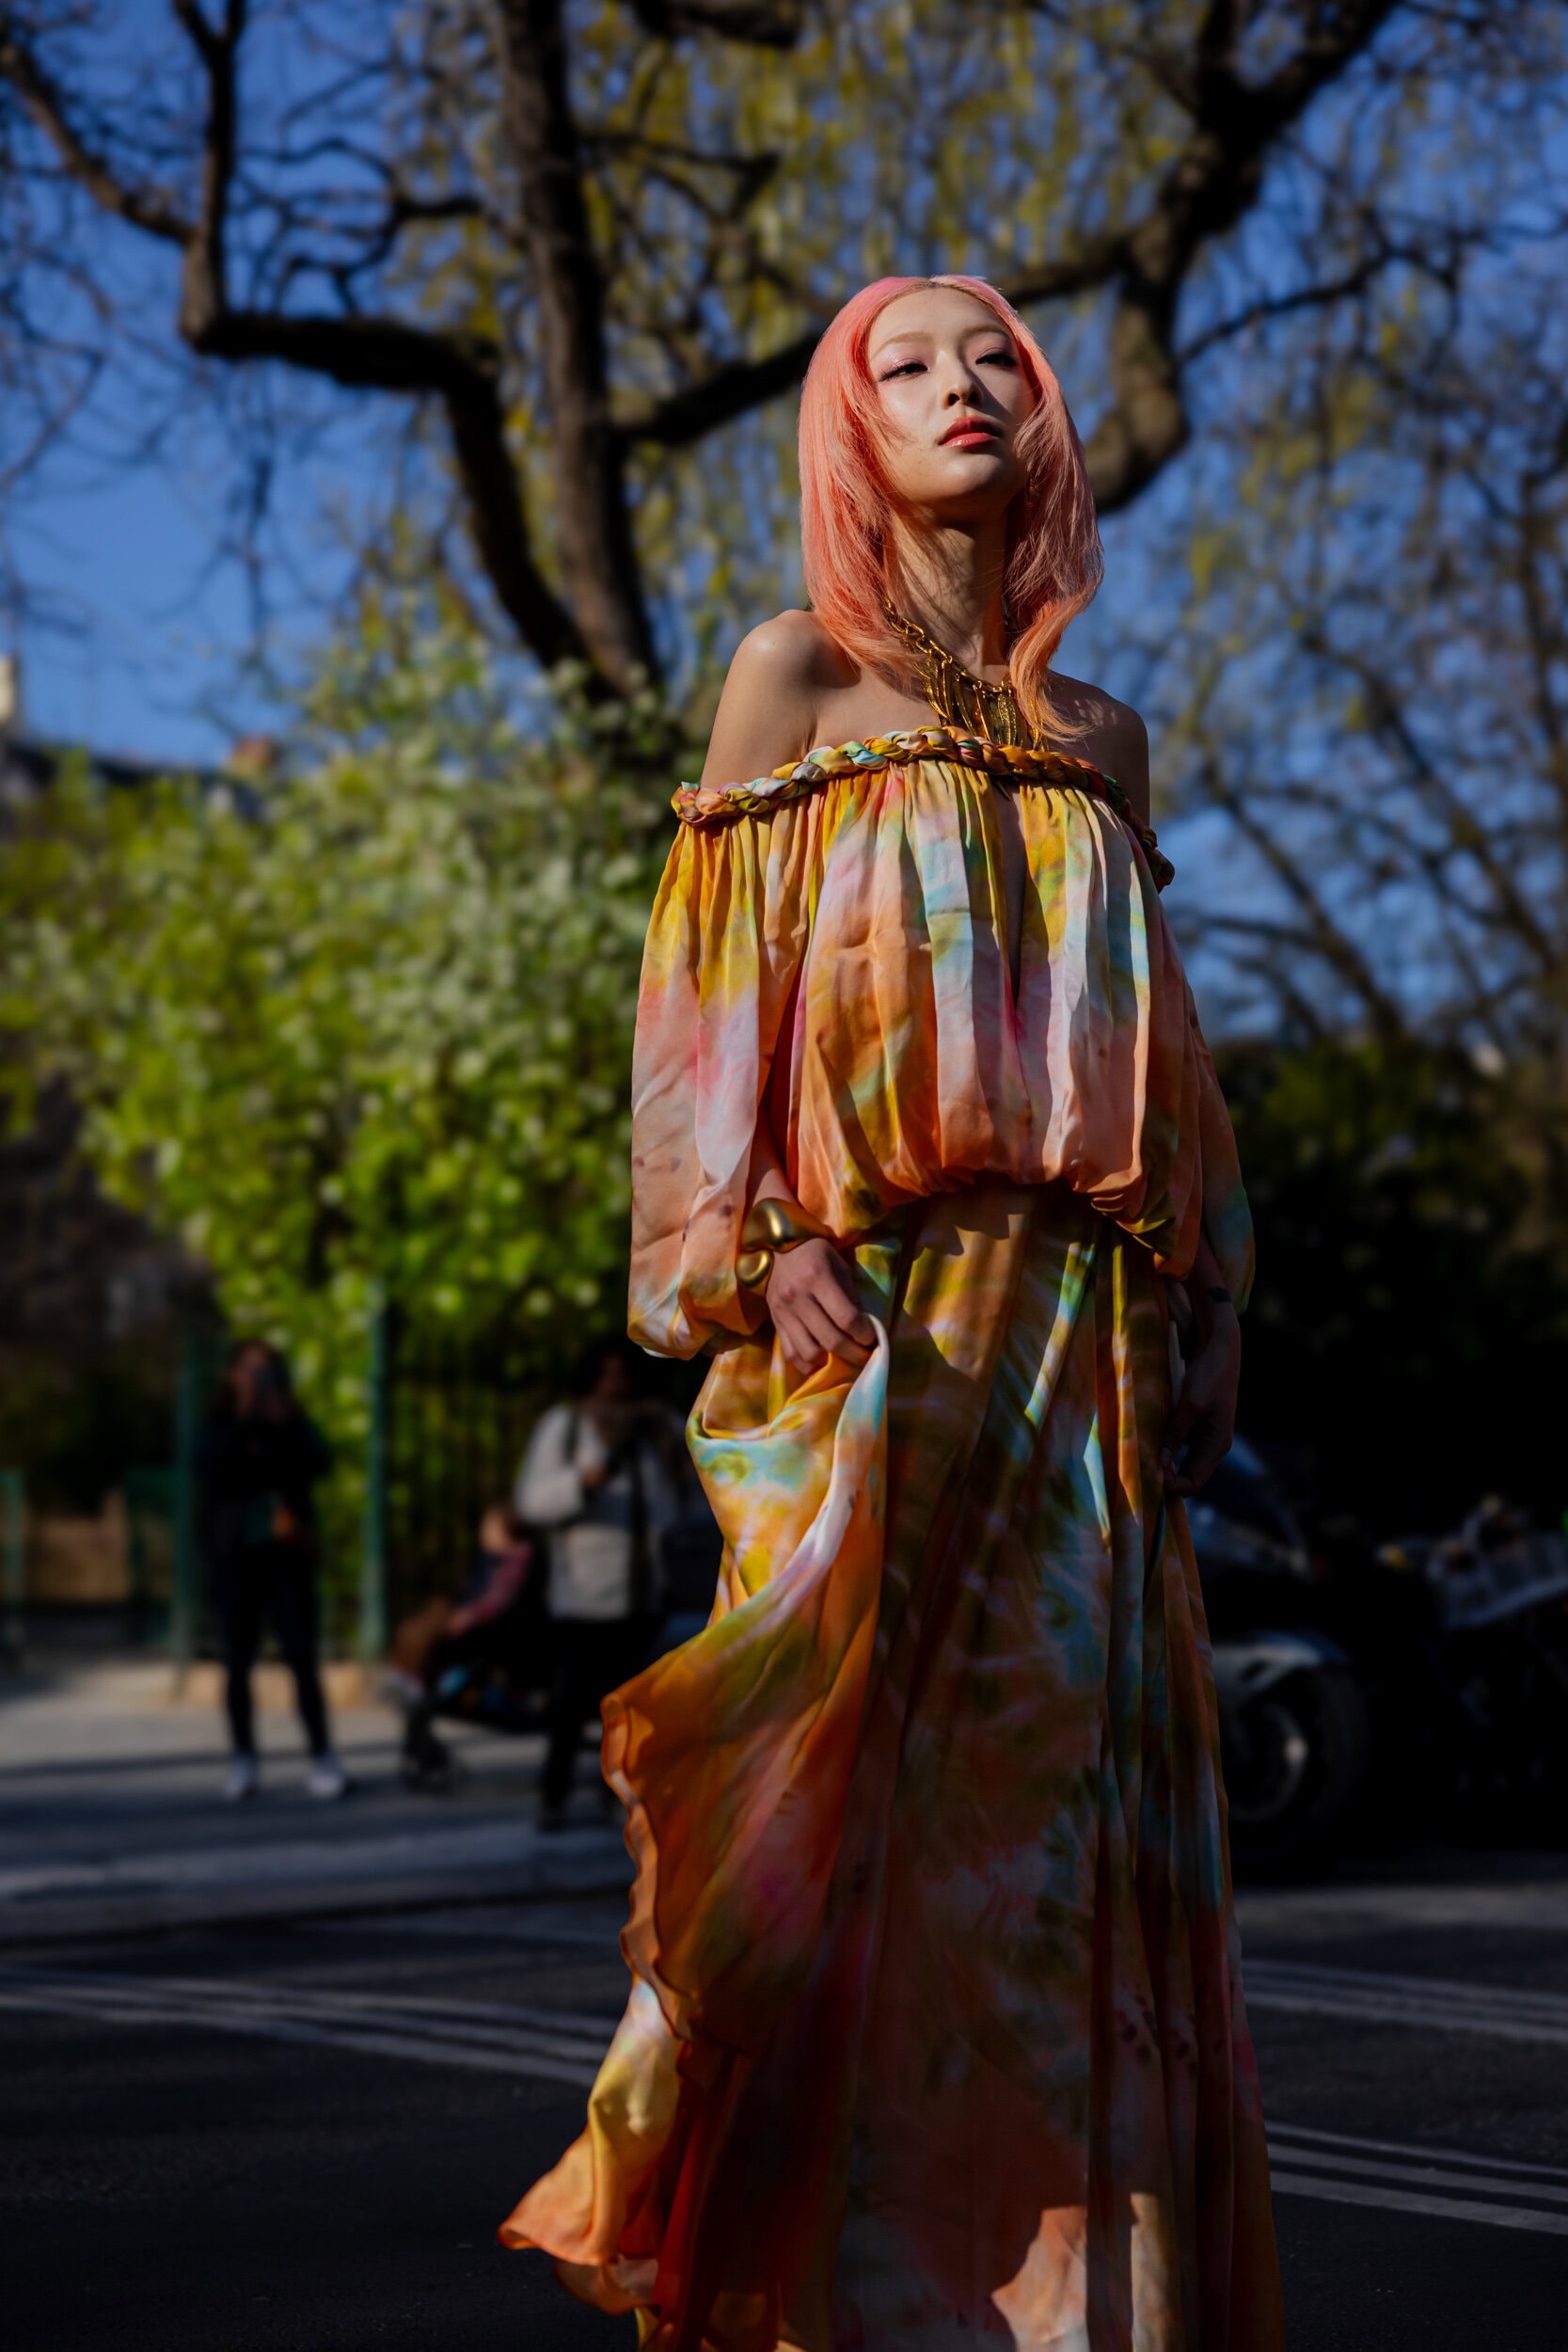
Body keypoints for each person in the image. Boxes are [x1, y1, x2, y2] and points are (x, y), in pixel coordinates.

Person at [500, 278, 1284, 2348]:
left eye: (993, 355)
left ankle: (1072, 2314)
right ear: (847, 429)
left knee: (1059, 1839)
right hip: (873, 1335)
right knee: (835, 1826)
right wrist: (757, 1236)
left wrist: (1206, 1283)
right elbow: (703, 1011)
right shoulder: (793, 678)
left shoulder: (1100, 739)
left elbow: (1164, 1052)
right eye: (905, 363)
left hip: (1083, 1353)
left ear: (1045, 411)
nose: (958, 385)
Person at [514, 1340, 685, 1829]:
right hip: (581, 1594)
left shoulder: (656, 1428)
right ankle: (554, 1797)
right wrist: (581, 1484)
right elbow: (532, 1501)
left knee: (633, 1708)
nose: (616, 1386)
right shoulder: (566, 1427)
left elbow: (688, 1494)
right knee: (570, 1706)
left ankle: (624, 1794)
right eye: (606, 1375)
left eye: (624, 1375)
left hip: (644, 1592)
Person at [198, 1340, 347, 1802]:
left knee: (302, 1657)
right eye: (249, 1369)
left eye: (267, 1371)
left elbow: (320, 1463)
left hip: (286, 1556)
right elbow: (210, 1471)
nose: (258, 1379)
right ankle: (243, 1758)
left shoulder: (291, 1421)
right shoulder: (220, 1422)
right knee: (236, 1662)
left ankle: (322, 1755)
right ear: (233, 1374)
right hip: (236, 1556)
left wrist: (284, 1424)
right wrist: (245, 1418)